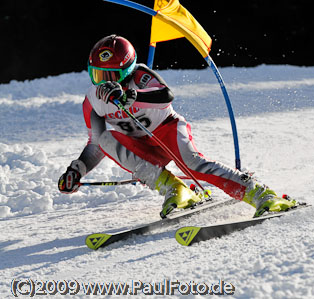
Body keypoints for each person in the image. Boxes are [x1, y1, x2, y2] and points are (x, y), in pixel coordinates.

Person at [58, 35, 296, 218]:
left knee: (194, 164)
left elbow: (165, 95)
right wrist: (77, 170)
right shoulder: (92, 101)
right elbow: (96, 143)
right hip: (143, 148)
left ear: (128, 69)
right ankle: (175, 189)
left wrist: (131, 95)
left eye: (111, 76)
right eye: (98, 75)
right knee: (106, 139)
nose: (104, 83)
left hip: (167, 131)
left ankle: (261, 194)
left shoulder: (140, 76)